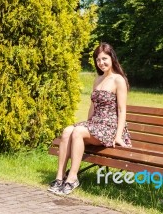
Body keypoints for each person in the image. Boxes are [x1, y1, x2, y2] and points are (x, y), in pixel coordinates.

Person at [48, 42, 132, 195]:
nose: (101, 63)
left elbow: (121, 109)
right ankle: (60, 177)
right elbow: (92, 105)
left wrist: (119, 136)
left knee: (78, 132)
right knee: (67, 131)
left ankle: (72, 179)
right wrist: (87, 124)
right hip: (96, 124)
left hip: (110, 127)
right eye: (98, 60)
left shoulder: (118, 80)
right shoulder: (98, 79)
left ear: (112, 58)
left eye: (104, 59)